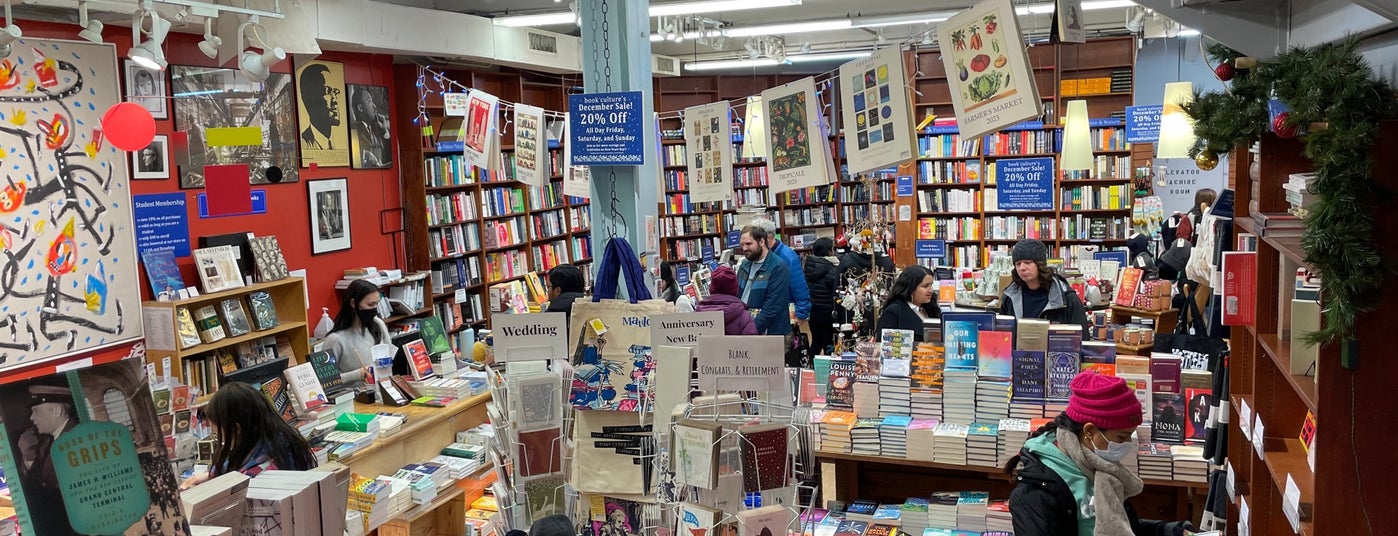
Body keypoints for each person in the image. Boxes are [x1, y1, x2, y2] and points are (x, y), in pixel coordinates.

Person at [1004, 372, 1194, 536]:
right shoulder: (1036, 492)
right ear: (1089, 431)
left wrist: (1172, 531)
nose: (1128, 444)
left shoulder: (1098, 466)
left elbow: (1120, 525)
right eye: (1122, 437)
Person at [180, 383, 318, 490]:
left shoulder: (258, 476)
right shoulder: (280, 439)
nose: (219, 440)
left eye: (218, 433)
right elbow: (238, 463)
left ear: (237, 429)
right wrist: (209, 476)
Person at [999, 239, 1091, 339]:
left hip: (1057, 353)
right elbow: (1002, 338)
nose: (1022, 268)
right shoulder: (1009, 297)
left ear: (1040, 264)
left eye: (1027, 262)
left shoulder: (1067, 299)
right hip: (1018, 354)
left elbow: (1082, 339)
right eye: (1018, 263)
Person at [23, 384, 79, 535]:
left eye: (36, 411)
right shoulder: (48, 443)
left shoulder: (76, 442)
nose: (31, 417)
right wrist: (27, 456)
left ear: (57, 411)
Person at [321, 279, 389, 386]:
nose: (375, 310)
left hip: (381, 391)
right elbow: (324, 380)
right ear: (353, 303)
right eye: (370, 304)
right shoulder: (335, 339)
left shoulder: (378, 324)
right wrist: (357, 374)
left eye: (377, 304)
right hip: (353, 398)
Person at [751, 217, 811, 329]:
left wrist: (801, 314)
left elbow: (799, 287)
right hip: (766, 314)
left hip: (785, 315)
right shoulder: (761, 255)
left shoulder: (787, 256)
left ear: (767, 237)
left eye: (756, 239)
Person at [736, 225, 792, 336]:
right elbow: (737, 297)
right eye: (742, 244)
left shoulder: (778, 266)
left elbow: (772, 306)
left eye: (748, 244)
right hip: (745, 328)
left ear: (761, 241)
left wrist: (752, 331)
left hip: (770, 332)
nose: (744, 248)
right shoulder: (744, 265)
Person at [876, 265, 942, 342]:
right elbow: (883, 344)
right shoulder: (894, 312)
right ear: (911, 288)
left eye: (931, 285)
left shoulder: (930, 308)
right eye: (925, 286)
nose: (931, 290)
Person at [695, 265, 757, 335]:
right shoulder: (744, 317)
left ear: (711, 288)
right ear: (735, 289)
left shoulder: (697, 315)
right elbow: (751, 344)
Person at [804, 237, 841, 353]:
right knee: (829, 343)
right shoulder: (833, 268)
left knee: (816, 341)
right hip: (828, 312)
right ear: (830, 251)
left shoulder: (808, 267)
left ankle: (811, 366)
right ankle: (828, 368)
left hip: (813, 311)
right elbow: (835, 290)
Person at [299, 63, 342, 150]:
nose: (335, 100)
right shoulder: (304, 144)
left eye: (335, 92)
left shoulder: (340, 142)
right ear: (310, 98)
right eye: (328, 91)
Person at [350, 85, 391, 167]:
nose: (374, 106)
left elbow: (387, 160)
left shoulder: (376, 129)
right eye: (369, 102)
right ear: (360, 108)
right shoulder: (354, 130)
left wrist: (385, 131)